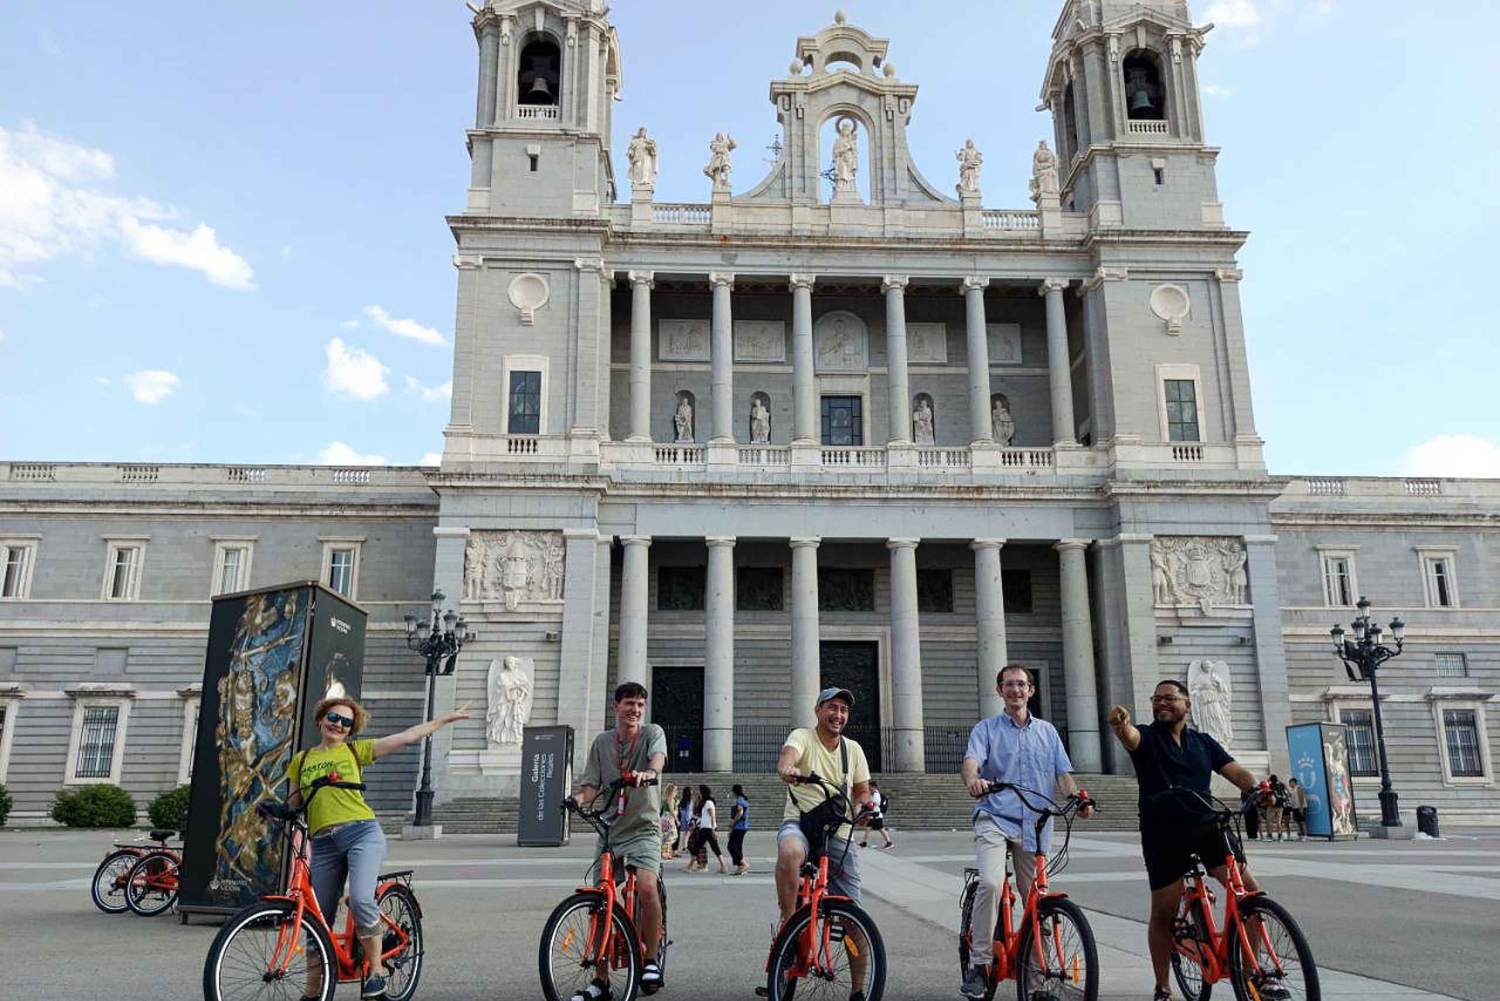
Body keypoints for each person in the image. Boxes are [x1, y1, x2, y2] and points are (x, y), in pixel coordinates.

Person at [1108, 680, 1282, 1001]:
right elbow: (1130, 739)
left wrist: (1257, 789)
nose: (1162, 703)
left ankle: (1255, 973)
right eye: (1156, 698)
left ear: (1187, 705)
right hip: (1164, 833)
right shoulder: (1147, 736)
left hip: (1207, 825)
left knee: (1250, 894)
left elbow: (1234, 771)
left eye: (1169, 698)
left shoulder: (1203, 742)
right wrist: (1122, 726)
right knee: (1165, 911)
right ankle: (1163, 987)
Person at [287, 696, 468, 1000]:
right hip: (323, 843)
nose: (338, 724)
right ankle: (312, 992)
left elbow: (406, 737)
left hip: (361, 833)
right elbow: (293, 804)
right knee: (317, 920)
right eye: (334, 717)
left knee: (360, 898)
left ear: (350, 730)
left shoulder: (356, 752)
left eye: (346, 722)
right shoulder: (301, 760)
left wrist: (444, 721)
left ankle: (375, 972)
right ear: (321, 719)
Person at [959, 665, 1091, 999]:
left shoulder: (1047, 732)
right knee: (990, 882)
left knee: (1038, 904)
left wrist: (1077, 798)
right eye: (1009, 685)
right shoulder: (986, 729)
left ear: (1032, 690)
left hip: (1036, 823)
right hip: (995, 816)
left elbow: (1063, 775)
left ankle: (1036, 985)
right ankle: (980, 963)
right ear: (999, 690)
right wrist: (974, 781)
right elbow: (972, 761)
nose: (1016, 690)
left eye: (1022, 684)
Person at [772, 687, 874, 1001]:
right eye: (832, 707)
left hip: (838, 832)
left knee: (854, 916)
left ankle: (858, 990)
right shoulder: (802, 737)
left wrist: (867, 806)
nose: (838, 715)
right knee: (790, 852)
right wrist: (788, 769)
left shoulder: (853, 749)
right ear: (818, 710)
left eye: (843, 709)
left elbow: (861, 792)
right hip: (801, 823)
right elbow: (787, 757)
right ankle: (790, 924)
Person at [572, 683, 668, 999]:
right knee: (600, 903)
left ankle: (651, 959)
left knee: (646, 886)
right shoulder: (602, 743)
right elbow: (590, 785)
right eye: (629, 703)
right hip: (609, 831)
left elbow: (657, 761)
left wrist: (648, 774)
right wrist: (577, 800)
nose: (635, 710)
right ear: (616, 706)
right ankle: (600, 982)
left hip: (643, 827)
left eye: (640, 704)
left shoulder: (653, 732)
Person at [685, 785, 727, 874]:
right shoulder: (706, 802)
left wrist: (713, 830)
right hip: (706, 828)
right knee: (713, 847)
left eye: (700, 791)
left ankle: (690, 866)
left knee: (697, 847)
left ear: (703, 792)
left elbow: (712, 816)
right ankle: (723, 866)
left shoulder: (708, 802)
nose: (698, 792)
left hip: (707, 829)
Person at [856, 779, 893, 850]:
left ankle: (889, 842)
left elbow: (873, 804)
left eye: (870, 787)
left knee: (881, 829)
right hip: (873, 815)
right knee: (868, 828)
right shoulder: (874, 794)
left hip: (876, 815)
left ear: (873, 787)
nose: (869, 789)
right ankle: (864, 842)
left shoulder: (876, 794)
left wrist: (865, 805)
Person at [729, 784, 751, 875]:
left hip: (739, 827)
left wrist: (733, 822)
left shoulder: (740, 800)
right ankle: (740, 867)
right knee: (738, 846)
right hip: (743, 827)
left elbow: (740, 812)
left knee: (731, 846)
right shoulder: (743, 799)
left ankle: (743, 863)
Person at [660, 784, 679, 860]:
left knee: (667, 835)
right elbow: (671, 810)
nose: (677, 792)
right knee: (672, 835)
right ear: (672, 791)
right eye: (676, 790)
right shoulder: (670, 798)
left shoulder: (666, 798)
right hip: (669, 818)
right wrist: (677, 820)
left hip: (665, 818)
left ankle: (666, 852)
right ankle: (664, 852)